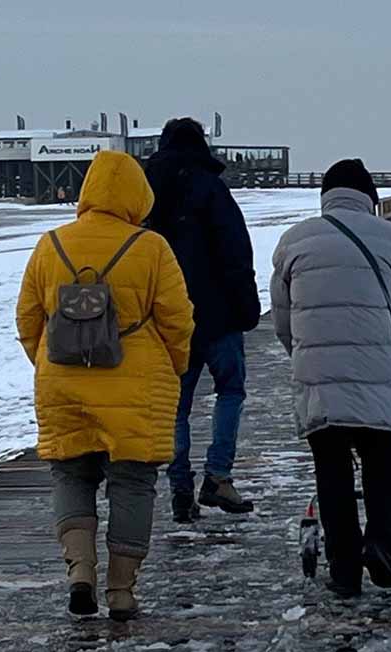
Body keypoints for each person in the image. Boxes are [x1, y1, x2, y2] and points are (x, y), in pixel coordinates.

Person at [15, 150, 194, 621]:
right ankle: (121, 592)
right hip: (136, 385)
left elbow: (28, 319)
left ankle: (80, 572)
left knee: (71, 474)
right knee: (133, 481)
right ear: (138, 195)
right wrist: (173, 367)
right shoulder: (152, 247)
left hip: (62, 381)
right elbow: (178, 320)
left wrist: (49, 362)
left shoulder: (50, 244)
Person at [271, 159, 391, 597]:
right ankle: (381, 544)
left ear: (326, 197)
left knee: (331, 468)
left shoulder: (293, 242)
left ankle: (345, 569)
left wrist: (303, 356)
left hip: (316, 375)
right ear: (369, 198)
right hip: (375, 374)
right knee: (382, 459)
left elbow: (282, 319)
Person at [145, 117, 261, 522]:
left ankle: (179, 485)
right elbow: (235, 252)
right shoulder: (213, 189)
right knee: (230, 390)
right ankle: (218, 476)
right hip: (218, 315)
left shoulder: (147, 192)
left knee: (177, 406)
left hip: (166, 317)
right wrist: (247, 307)